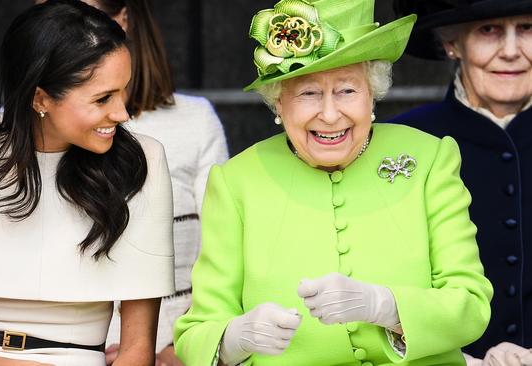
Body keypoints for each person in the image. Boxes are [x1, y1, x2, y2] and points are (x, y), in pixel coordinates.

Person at [174, 0, 493, 364]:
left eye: (347, 90)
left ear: (372, 93)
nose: (329, 114)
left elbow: (471, 304)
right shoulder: (236, 182)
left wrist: (386, 307)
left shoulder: (429, 159)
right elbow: (196, 332)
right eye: (308, 93)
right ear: (278, 103)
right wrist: (234, 339)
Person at [0, 1, 174, 365]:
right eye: (103, 98)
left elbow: (137, 350)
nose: (122, 113)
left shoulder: (141, 161)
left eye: (123, 91)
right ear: (40, 98)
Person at [64, 1, 229, 365]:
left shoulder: (195, 121)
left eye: (80, 14)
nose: (62, 31)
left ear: (122, 19)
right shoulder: (6, 131)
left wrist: (182, 349)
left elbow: (223, 257)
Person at [390, 0, 532, 364]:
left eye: (528, 29)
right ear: (452, 43)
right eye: (490, 31)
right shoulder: (403, 142)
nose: (512, 52)